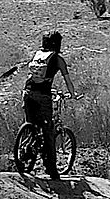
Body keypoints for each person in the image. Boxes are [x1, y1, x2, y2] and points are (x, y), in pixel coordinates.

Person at [22, 31, 77, 179]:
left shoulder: (38, 55)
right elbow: (68, 80)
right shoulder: (58, 59)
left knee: (31, 124)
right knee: (48, 132)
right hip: (42, 97)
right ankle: (52, 170)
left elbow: (34, 77)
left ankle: (24, 153)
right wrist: (73, 95)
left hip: (27, 93)